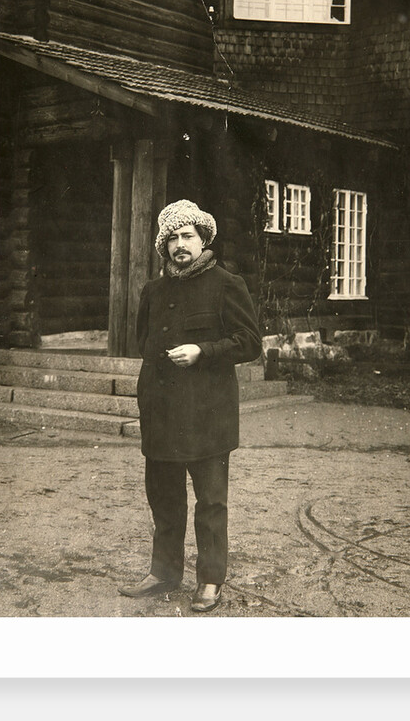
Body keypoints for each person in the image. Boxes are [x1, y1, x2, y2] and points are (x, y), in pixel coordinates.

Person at [118, 199, 262, 612]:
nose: (180, 244)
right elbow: (143, 343)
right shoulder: (153, 290)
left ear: (203, 240)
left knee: (211, 503)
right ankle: (164, 572)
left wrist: (203, 349)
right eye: (173, 238)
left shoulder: (227, 284)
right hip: (162, 414)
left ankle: (211, 580)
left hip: (207, 416)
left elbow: (249, 342)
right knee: (163, 500)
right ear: (164, 247)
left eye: (188, 236)